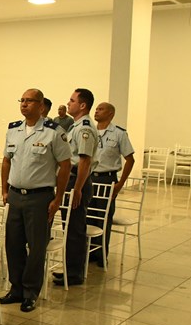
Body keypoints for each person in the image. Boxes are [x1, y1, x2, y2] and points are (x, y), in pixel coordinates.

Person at [1, 89, 71, 312]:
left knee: (37, 246)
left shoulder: (54, 132)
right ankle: (16, 288)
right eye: (22, 100)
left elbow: (65, 166)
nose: (24, 104)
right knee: (13, 244)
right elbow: (6, 161)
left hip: (39, 198)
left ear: (41, 106)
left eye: (29, 101)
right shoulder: (13, 130)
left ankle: (31, 292)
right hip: (15, 196)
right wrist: (4, 189)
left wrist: (58, 197)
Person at [53, 88, 99, 286]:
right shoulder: (75, 126)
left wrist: (78, 188)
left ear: (82, 105)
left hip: (77, 181)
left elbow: (85, 161)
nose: (68, 103)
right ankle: (69, 268)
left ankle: (74, 273)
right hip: (72, 180)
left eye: (72, 101)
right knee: (69, 226)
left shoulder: (84, 128)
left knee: (75, 228)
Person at [90, 101, 135, 267]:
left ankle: (102, 254)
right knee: (88, 217)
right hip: (90, 178)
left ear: (110, 114)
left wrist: (120, 184)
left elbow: (130, 159)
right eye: (96, 109)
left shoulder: (119, 133)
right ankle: (89, 253)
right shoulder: (90, 131)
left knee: (103, 217)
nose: (97, 112)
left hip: (107, 179)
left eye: (101, 109)